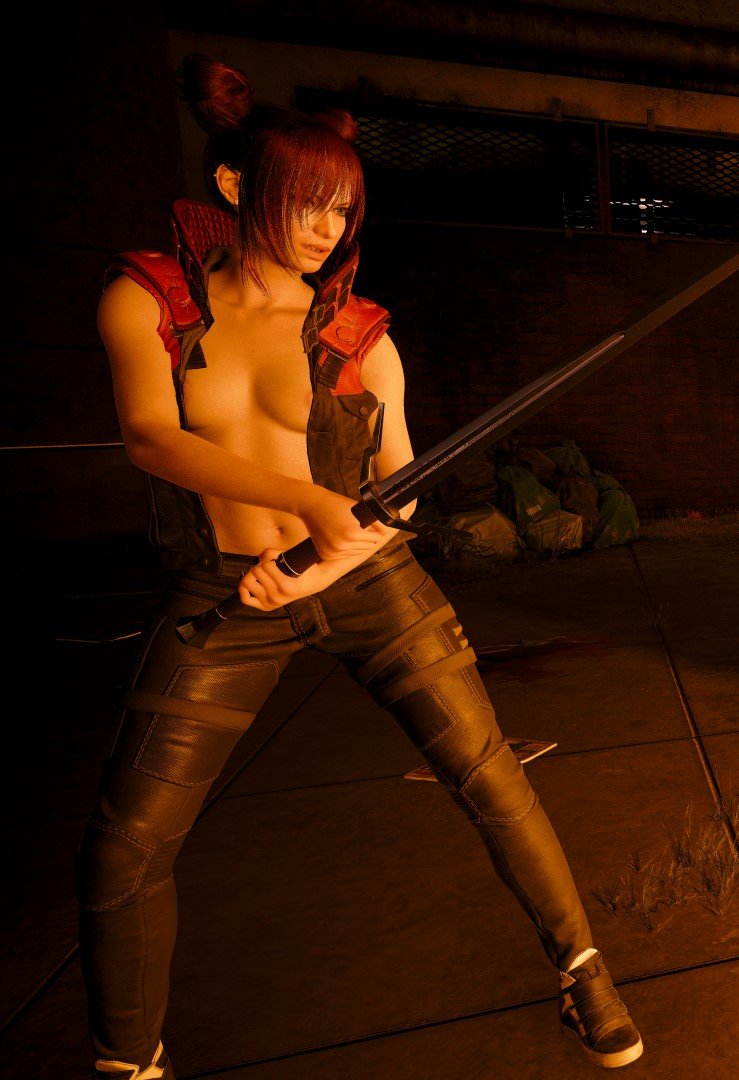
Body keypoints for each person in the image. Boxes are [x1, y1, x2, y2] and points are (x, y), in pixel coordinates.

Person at [79, 56, 642, 1079]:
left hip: (369, 583)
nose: (325, 227)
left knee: (490, 775)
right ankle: (129, 1062)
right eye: (306, 201)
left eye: (341, 209)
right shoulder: (149, 300)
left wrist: (327, 554)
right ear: (235, 184)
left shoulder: (360, 335)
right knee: (126, 846)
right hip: (226, 591)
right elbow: (151, 437)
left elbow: (402, 494)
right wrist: (303, 506)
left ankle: (584, 969)